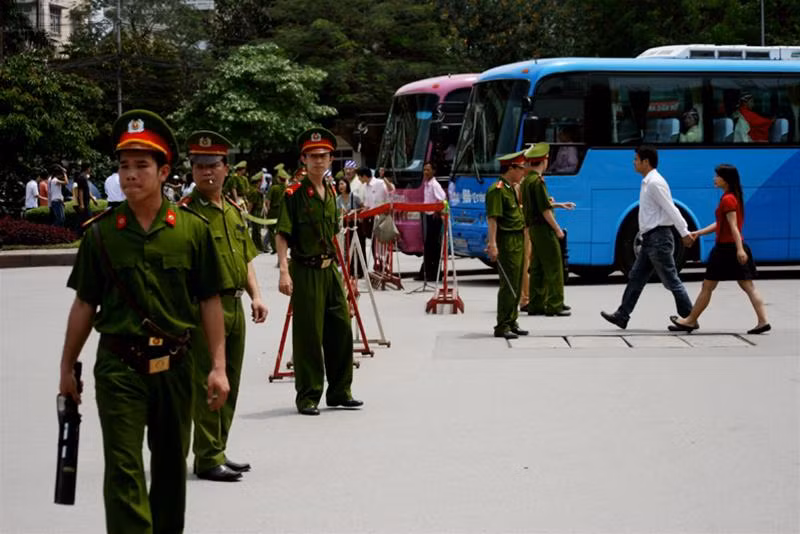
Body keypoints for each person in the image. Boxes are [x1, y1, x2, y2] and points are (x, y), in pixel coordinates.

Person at [57, 109, 230, 533]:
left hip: (175, 365)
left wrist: (218, 367)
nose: (130, 175)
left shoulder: (191, 230)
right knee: (123, 466)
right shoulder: (102, 234)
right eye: (123, 166)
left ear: (164, 171)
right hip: (119, 366)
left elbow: (209, 301)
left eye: (141, 165)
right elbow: (84, 304)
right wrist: (66, 366)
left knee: (170, 465)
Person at [181, 130, 268, 482]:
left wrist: (256, 295)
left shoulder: (232, 212)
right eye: (199, 166)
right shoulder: (185, 214)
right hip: (205, 309)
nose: (207, 172)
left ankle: (218, 447)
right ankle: (207, 457)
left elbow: (245, 258)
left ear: (225, 168)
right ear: (192, 170)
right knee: (209, 380)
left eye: (213, 165)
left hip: (235, 306)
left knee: (229, 380)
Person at [275, 127, 363, 416]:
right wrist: (284, 270)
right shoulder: (294, 194)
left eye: (323, 156)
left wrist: (346, 272)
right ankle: (308, 395)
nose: (318, 160)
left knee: (341, 328)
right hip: (306, 269)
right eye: (312, 156)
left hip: (330, 269)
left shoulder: (331, 191)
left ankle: (340, 391)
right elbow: (282, 233)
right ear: (304, 159)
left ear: (330, 159)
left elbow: (335, 234)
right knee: (309, 335)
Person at [600, 145, 695, 329]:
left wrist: (684, 232)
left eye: (636, 159)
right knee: (636, 276)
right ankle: (622, 315)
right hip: (650, 239)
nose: (633, 163)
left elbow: (671, 208)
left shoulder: (655, 183)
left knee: (670, 280)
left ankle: (690, 317)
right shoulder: (647, 182)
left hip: (659, 238)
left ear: (646, 162)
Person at [669, 164, 770, 335]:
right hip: (731, 248)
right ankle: (763, 321)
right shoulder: (732, 197)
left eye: (717, 176)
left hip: (726, 250)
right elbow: (721, 224)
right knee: (748, 286)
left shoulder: (728, 199)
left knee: (707, 286)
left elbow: (733, 226)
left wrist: (740, 250)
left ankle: (690, 320)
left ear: (726, 179)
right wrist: (699, 233)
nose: (714, 179)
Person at [522, 143, 575, 317]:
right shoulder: (538, 182)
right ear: (544, 161)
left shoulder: (527, 181)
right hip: (543, 229)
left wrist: (559, 204)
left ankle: (536, 304)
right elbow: (545, 210)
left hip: (533, 229)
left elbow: (540, 205)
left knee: (537, 267)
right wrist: (558, 230)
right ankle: (555, 304)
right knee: (554, 266)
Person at [486, 150, 529, 339]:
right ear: (511, 168)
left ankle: (512, 321)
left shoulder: (511, 188)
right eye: (521, 169)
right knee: (509, 284)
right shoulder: (497, 190)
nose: (523, 172)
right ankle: (502, 325)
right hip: (507, 240)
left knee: (517, 282)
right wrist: (493, 244)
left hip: (518, 238)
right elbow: (493, 219)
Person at [355, 166, 395, 270]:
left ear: (364, 176)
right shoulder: (365, 186)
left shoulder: (379, 183)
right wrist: (362, 214)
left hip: (383, 217)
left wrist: (384, 179)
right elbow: (368, 205)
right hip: (372, 218)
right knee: (374, 244)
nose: (358, 179)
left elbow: (391, 190)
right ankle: (378, 265)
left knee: (382, 244)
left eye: (359, 177)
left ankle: (385, 266)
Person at [418, 161, 446, 281]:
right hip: (428, 216)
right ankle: (426, 272)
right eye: (424, 170)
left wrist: (437, 211)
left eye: (428, 170)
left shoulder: (435, 185)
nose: (425, 172)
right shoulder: (427, 184)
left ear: (433, 171)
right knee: (428, 245)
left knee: (434, 245)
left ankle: (435, 273)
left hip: (434, 218)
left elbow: (442, 198)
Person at [336, 176, 364, 278]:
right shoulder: (338, 199)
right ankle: (350, 271)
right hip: (345, 226)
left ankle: (361, 271)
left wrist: (355, 211)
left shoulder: (354, 196)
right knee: (347, 248)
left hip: (356, 225)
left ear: (347, 185)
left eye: (342, 184)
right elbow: (338, 213)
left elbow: (363, 207)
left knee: (359, 248)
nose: (340, 186)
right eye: (339, 184)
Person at [264, 164, 289, 255]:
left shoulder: (274, 188)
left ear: (278, 179)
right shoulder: (287, 188)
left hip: (273, 211)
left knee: (271, 229)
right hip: (283, 211)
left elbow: (267, 201)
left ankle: (274, 247)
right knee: (281, 230)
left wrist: (267, 210)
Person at [74, 162, 96, 229]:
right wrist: (82, 204)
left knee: (83, 219)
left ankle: (78, 232)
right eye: (90, 168)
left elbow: (87, 190)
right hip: (84, 203)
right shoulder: (82, 178)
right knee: (89, 218)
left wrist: (93, 199)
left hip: (86, 202)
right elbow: (80, 191)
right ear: (87, 168)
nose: (90, 169)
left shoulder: (84, 177)